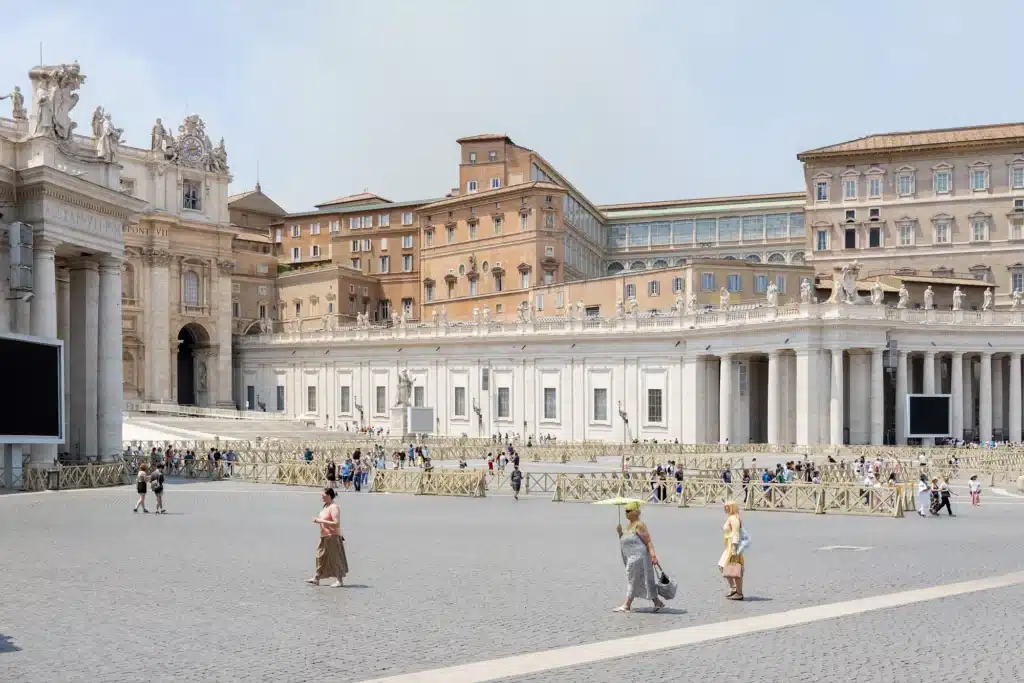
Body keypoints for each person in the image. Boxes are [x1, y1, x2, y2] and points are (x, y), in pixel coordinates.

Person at [614, 501, 664, 613]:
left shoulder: (639, 524)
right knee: (643, 580)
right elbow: (625, 540)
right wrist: (620, 533)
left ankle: (627, 605)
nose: (625, 514)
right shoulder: (628, 525)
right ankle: (657, 602)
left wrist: (653, 556)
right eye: (625, 511)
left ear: (635, 512)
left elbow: (648, 541)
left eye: (628, 511)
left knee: (633, 579)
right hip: (630, 557)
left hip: (639, 557)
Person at [307, 488, 348, 587]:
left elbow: (336, 523)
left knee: (335, 558)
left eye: (323, 496)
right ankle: (316, 578)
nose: (322, 497)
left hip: (332, 536)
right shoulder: (326, 506)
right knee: (320, 557)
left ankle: (339, 580)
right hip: (324, 536)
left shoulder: (334, 507)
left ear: (329, 496)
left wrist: (320, 521)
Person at [718, 501, 745, 601]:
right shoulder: (731, 518)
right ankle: (734, 589)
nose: (725, 509)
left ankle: (738, 592)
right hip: (729, 545)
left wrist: (734, 547)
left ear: (731, 507)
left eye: (727, 507)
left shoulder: (734, 518)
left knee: (733, 569)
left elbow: (736, 533)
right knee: (726, 567)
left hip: (733, 546)